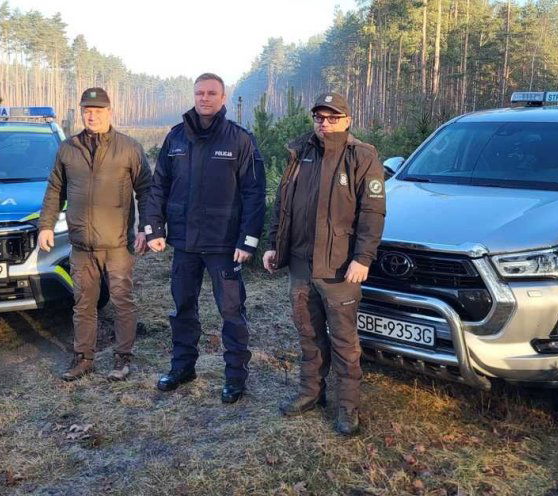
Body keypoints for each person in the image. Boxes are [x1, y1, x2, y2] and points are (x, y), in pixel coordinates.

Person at [263, 92, 386, 435]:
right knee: (308, 332)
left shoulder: (362, 156)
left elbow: (373, 213)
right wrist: (274, 245)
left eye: (333, 118)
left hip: (340, 267)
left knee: (344, 339)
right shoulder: (300, 152)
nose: (325, 124)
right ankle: (310, 393)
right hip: (302, 263)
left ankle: (347, 406)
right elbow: (282, 203)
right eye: (319, 117)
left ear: (347, 120)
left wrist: (363, 257)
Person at [145, 73, 266, 404]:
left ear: (223, 98)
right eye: (200, 93)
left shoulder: (240, 140)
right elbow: (159, 186)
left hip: (224, 245)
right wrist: (154, 227)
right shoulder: (176, 138)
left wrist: (249, 240)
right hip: (184, 243)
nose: (205, 98)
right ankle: (183, 367)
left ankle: (236, 377)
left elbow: (255, 193)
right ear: (194, 96)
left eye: (212, 93)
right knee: (182, 307)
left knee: (231, 311)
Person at [39, 87, 153, 382]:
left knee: (122, 300)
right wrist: (46, 226)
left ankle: (122, 358)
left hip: (117, 244)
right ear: (82, 113)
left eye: (98, 111)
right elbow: (55, 190)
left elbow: (147, 191)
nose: (92, 116)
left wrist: (147, 228)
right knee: (84, 302)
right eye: (87, 111)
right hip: (82, 244)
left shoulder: (128, 148)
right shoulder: (68, 149)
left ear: (109, 112)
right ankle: (83, 358)